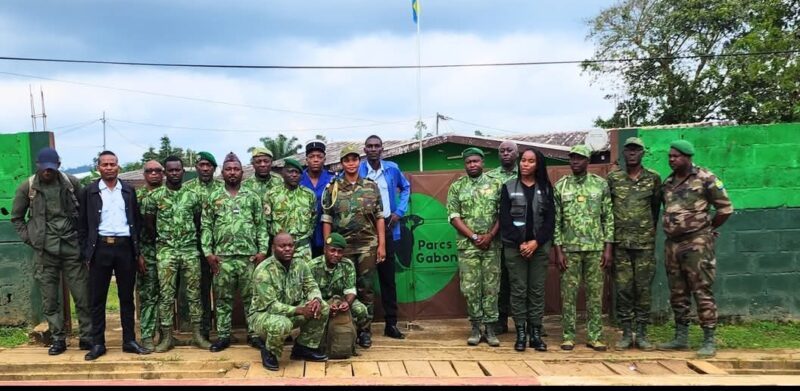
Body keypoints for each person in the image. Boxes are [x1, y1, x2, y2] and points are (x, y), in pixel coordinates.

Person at [11, 147, 91, 355]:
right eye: (44, 168)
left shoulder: (71, 183)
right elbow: (17, 218)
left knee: (82, 295)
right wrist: (32, 239)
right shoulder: (27, 187)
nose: (48, 172)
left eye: (52, 168)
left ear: (58, 166)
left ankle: (87, 336)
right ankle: (58, 339)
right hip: (44, 251)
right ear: (38, 166)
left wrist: (83, 240)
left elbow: (84, 212)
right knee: (50, 299)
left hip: (72, 247)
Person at [657, 140, 732, 358]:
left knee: (701, 290)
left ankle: (709, 339)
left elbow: (725, 209)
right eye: (669, 156)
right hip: (672, 244)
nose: (671, 160)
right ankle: (681, 337)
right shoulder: (668, 182)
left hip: (697, 243)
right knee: (677, 292)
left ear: (688, 157)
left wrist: (708, 228)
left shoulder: (706, 178)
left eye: (676, 156)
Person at [78, 150, 150, 360]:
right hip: (100, 248)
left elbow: (135, 221)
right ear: (98, 167)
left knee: (126, 297)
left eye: (112, 164)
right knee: (97, 298)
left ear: (119, 166)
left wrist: (137, 252)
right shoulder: (89, 191)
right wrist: (86, 252)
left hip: (125, 248)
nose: (109, 168)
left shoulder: (127, 190)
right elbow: (81, 224)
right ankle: (98, 343)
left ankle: (129, 340)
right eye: (105, 164)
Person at [201, 152, 270, 352]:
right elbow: (206, 226)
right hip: (222, 258)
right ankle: (223, 336)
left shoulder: (252, 197)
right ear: (222, 172)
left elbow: (261, 226)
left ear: (242, 172)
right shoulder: (213, 197)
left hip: (249, 257)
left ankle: (254, 334)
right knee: (223, 300)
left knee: (252, 299)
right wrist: (208, 253)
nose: (232, 173)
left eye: (236, 169)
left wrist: (263, 251)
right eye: (228, 169)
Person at [321, 144, 385, 348]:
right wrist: (327, 246)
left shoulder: (371, 186)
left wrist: (382, 245)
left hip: (367, 246)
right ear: (341, 163)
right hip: (343, 248)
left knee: (366, 289)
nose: (351, 163)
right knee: (343, 288)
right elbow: (327, 219)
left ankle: (365, 331)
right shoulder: (333, 188)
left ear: (359, 161)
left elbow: (379, 218)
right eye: (347, 160)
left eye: (354, 159)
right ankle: (345, 329)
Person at [143, 156, 210, 352]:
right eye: (170, 170)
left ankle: (198, 335)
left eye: (177, 170)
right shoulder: (154, 197)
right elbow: (148, 223)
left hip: (189, 251)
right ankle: (167, 337)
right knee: (166, 295)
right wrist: (163, 239)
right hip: (166, 251)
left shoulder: (193, 195)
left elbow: (198, 221)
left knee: (194, 294)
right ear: (165, 172)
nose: (174, 173)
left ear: (183, 171)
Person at [553, 144, 614, 352]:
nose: (575, 162)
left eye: (579, 158)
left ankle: (594, 336)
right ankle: (568, 336)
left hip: (595, 248)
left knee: (594, 294)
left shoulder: (600, 185)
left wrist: (608, 248)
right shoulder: (561, 186)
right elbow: (557, 221)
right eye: (572, 158)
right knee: (568, 295)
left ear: (588, 161)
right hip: (569, 250)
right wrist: (558, 250)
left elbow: (608, 218)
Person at [607, 137, 662, 351]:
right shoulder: (614, 179)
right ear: (623, 153)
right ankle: (626, 333)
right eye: (628, 150)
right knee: (623, 289)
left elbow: (655, 208)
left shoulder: (653, 178)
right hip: (620, 244)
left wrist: (647, 230)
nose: (632, 153)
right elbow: (608, 210)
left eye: (636, 150)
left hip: (644, 245)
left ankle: (642, 334)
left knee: (643, 289)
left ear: (642, 153)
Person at [498, 148, 554, 352]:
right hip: (515, 248)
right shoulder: (508, 186)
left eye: (530, 161)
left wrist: (535, 243)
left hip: (539, 248)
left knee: (536, 291)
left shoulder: (546, 187)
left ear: (537, 164)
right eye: (523, 160)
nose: (525, 164)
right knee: (518, 291)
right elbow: (504, 219)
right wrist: (521, 242)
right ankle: (521, 333)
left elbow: (550, 221)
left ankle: (536, 334)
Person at [446, 147, 502, 347]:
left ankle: (491, 328)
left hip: (492, 246)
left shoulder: (496, 185)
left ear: (482, 163)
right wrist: (475, 236)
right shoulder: (457, 187)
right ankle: (476, 327)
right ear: (465, 165)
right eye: (469, 162)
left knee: (491, 288)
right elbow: (453, 216)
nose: (472, 165)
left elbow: (502, 214)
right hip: (468, 246)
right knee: (470, 288)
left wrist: (490, 236)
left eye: (476, 161)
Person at [250, 232, 329, 371]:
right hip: (263, 317)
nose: (287, 249)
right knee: (282, 323)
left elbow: (311, 286)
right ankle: (269, 352)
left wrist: (315, 299)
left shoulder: (300, 265)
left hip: (291, 311)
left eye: (290, 245)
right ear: (273, 248)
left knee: (322, 307)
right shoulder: (263, 271)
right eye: (282, 246)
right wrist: (299, 310)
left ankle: (303, 348)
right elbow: (271, 306)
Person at [359, 135, 410, 340]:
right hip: (364, 230)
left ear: (382, 149)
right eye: (369, 146)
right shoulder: (358, 169)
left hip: (388, 226)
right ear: (365, 149)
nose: (373, 149)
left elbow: (406, 187)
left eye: (376, 146)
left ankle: (391, 324)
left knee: (388, 279)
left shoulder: (392, 168)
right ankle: (363, 328)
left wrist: (399, 211)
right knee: (363, 280)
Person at [308, 233, 370, 348]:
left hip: (340, 300)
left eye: (339, 251)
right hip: (320, 302)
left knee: (361, 310)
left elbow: (351, 290)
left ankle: (360, 332)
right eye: (332, 250)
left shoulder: (347, 265)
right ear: (325, 250)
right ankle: (311, 339)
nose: (336, 254)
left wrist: (347, 303)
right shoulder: (312, 266)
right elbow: (308, 293)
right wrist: (325, 305)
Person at [183, 151, 221, 341]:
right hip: (195, 247)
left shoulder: (223, 189)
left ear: (214, 168)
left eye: (209, 165)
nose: (205, 169)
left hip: (221, 247)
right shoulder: (186, 190)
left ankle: (224, 330)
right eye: (202, 165)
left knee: (222, 290)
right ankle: (204, 330)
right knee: (201, 290)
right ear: (196, 167)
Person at [486, 140, 519, 335]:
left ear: (517, 153)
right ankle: (500, 321)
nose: (505, 153)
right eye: (502, 151)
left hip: (518, 236)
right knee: (500, 281)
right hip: (496, 238)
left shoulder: (524, 174)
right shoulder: (490, 177)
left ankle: (527, 322)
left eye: (509, 150)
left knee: (520, 280)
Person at [263, 158, 316, 264]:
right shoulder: (272, 195)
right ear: (283, 173)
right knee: (279, 278)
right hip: (280, 249)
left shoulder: (309, 195)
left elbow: (313, 220)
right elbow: (265, 223)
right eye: (290, 171)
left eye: (297, 172)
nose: (294, 175)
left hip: (302, 249)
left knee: (303, 278)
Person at [136, 160, 164, 351]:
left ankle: (164, 335)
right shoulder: (136, 197)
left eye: (157, 171)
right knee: (148, 296)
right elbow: (132, 228)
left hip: (169, 251)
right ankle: (147, 335)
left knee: (167, 297)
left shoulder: (171, 194)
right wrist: (138, 254)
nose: (154, 173)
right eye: (149, 171)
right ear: (143, 174)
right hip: (147, 252)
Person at [299, 140, 335, 258]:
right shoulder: (298, 179)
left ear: (324, 159)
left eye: (319, 157)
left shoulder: (332, 179)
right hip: (303, 235)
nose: (315, 160)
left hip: (327, 232)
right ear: (306, 160)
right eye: (311, 156)